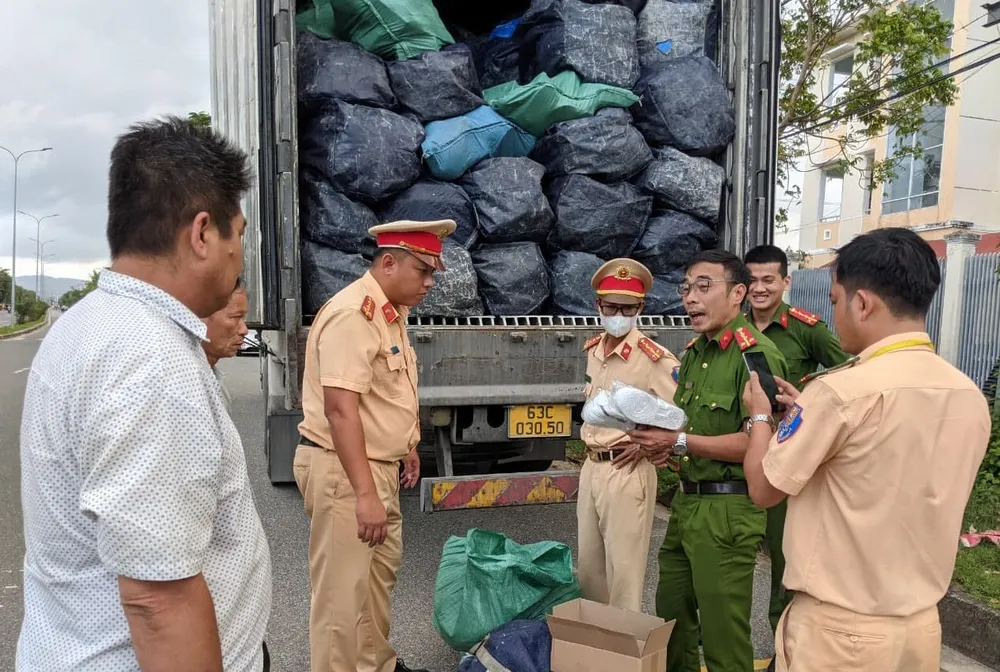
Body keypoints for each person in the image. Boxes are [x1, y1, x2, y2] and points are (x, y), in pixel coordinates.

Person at [17, 117, 272, 671]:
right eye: (239, 235)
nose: (239, 258)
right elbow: (158, 602)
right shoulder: (149, 361)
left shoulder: (89, 324)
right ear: (203, 233)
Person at [742, 227, 991, 672]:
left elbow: (763, 488)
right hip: (919, 627)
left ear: (862, 304)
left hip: (840, 635)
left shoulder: (840, 393)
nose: (833, 313)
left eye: (836, 301)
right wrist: (808, 417)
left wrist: (761, 416)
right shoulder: (967, 394)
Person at [294, 219, 456, 672]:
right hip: (346, 473)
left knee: (374, 585)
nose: (429, 284)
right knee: (340, 604)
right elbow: (341, 411)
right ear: (388, 262)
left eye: (433, 274)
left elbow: (383, 393)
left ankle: (374, 665)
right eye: (423, 272)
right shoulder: (354, 314)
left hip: (375, 467)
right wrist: (365, 494)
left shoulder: (390, 312)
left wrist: (408, 444)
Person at [628, 249, 787, 672]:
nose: (689, 299)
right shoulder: (697, 353)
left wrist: (679, 440)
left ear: (738, 293)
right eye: (685, 288)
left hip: (728, 510)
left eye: (703, 287)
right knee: (673, 619)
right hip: (687, 503)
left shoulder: (755, 355)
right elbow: (689, 429)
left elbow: (760, 441)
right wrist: (666, 445)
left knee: (722, 634)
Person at [743, 244, 849, 652]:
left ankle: (782, 648)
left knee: (784, 564)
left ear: (786, 282)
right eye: (751, 279)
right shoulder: (732, 327)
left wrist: (804, 402)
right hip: (738, 456)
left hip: (786, 458)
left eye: (769, 279)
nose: (760, 288)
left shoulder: (808, 329)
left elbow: (849, 373)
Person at [577, 258, 681, 612]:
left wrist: (644, 443)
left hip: (626, 470)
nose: (618, 314)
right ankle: (595, 654)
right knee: (590, 573)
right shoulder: (594, 351)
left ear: (641, 308)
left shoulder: (654, 359)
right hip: (591, 466)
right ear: (598, 306)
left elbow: (682, 415)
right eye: (611, 307)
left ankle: (625, 656)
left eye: (627, 308)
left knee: (623, 577)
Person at [203, 281, 250, 413]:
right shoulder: (182, 382)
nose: (244, 330)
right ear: (201, 317)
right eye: (235, 317)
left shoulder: (215, 378)